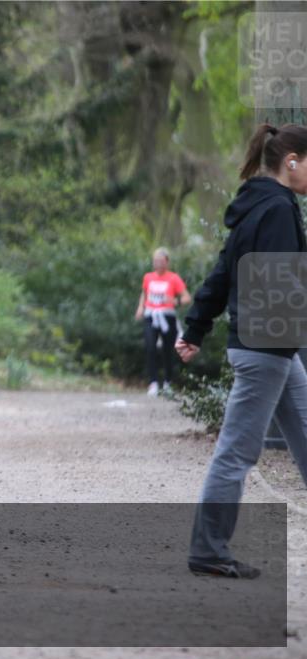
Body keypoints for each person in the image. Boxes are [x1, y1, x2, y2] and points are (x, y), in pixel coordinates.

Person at [176, 123, 307, 578]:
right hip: (266, 347)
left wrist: (195, 326)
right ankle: (208, 550)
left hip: (274, 349)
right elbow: (280, 283)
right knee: (236, 452)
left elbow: (222, 271)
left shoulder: (256, 205)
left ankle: (209, 547)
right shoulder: (276, 210)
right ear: (292, 160)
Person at [134, 248, 191, 396]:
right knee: (150, 347)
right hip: (151, 316)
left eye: (160, 260)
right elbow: (144, 293)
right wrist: (141, 307)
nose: (157, 263)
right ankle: (153, 383)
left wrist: (174, 301)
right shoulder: (148, 277)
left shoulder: (173, 278)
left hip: (167, 316)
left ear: (167, 262)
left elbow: (187, 298)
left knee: (167, 350)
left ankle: (168, 382)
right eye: (155, 261)